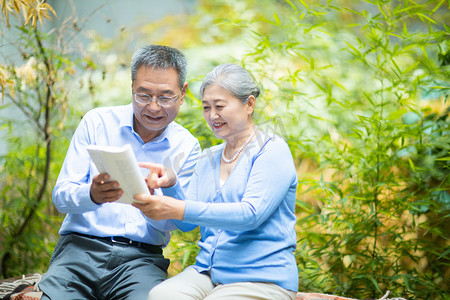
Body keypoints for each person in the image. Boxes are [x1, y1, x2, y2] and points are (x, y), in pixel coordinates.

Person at [38, 45, 201, 300]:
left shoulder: (187, 145)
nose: (154, 107)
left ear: (183, 94)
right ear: (132, 87)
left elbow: (185, 224)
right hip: (79, 252)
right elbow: (61, 197)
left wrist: (166, 192)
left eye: (166, 97)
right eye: (143, 95)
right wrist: (92, 195)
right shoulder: (97, 122)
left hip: (141, 261)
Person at [133, 63, 298, 300]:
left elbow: (250, 215)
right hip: (208, 274)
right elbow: (187, 223)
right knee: (161, 295)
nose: (212, 116)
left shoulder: (271, 150)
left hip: (261, 278)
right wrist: (171, 185)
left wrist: (179, 208)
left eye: (220, 106)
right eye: (206, 107)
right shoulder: (209, 157)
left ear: (249, 104)